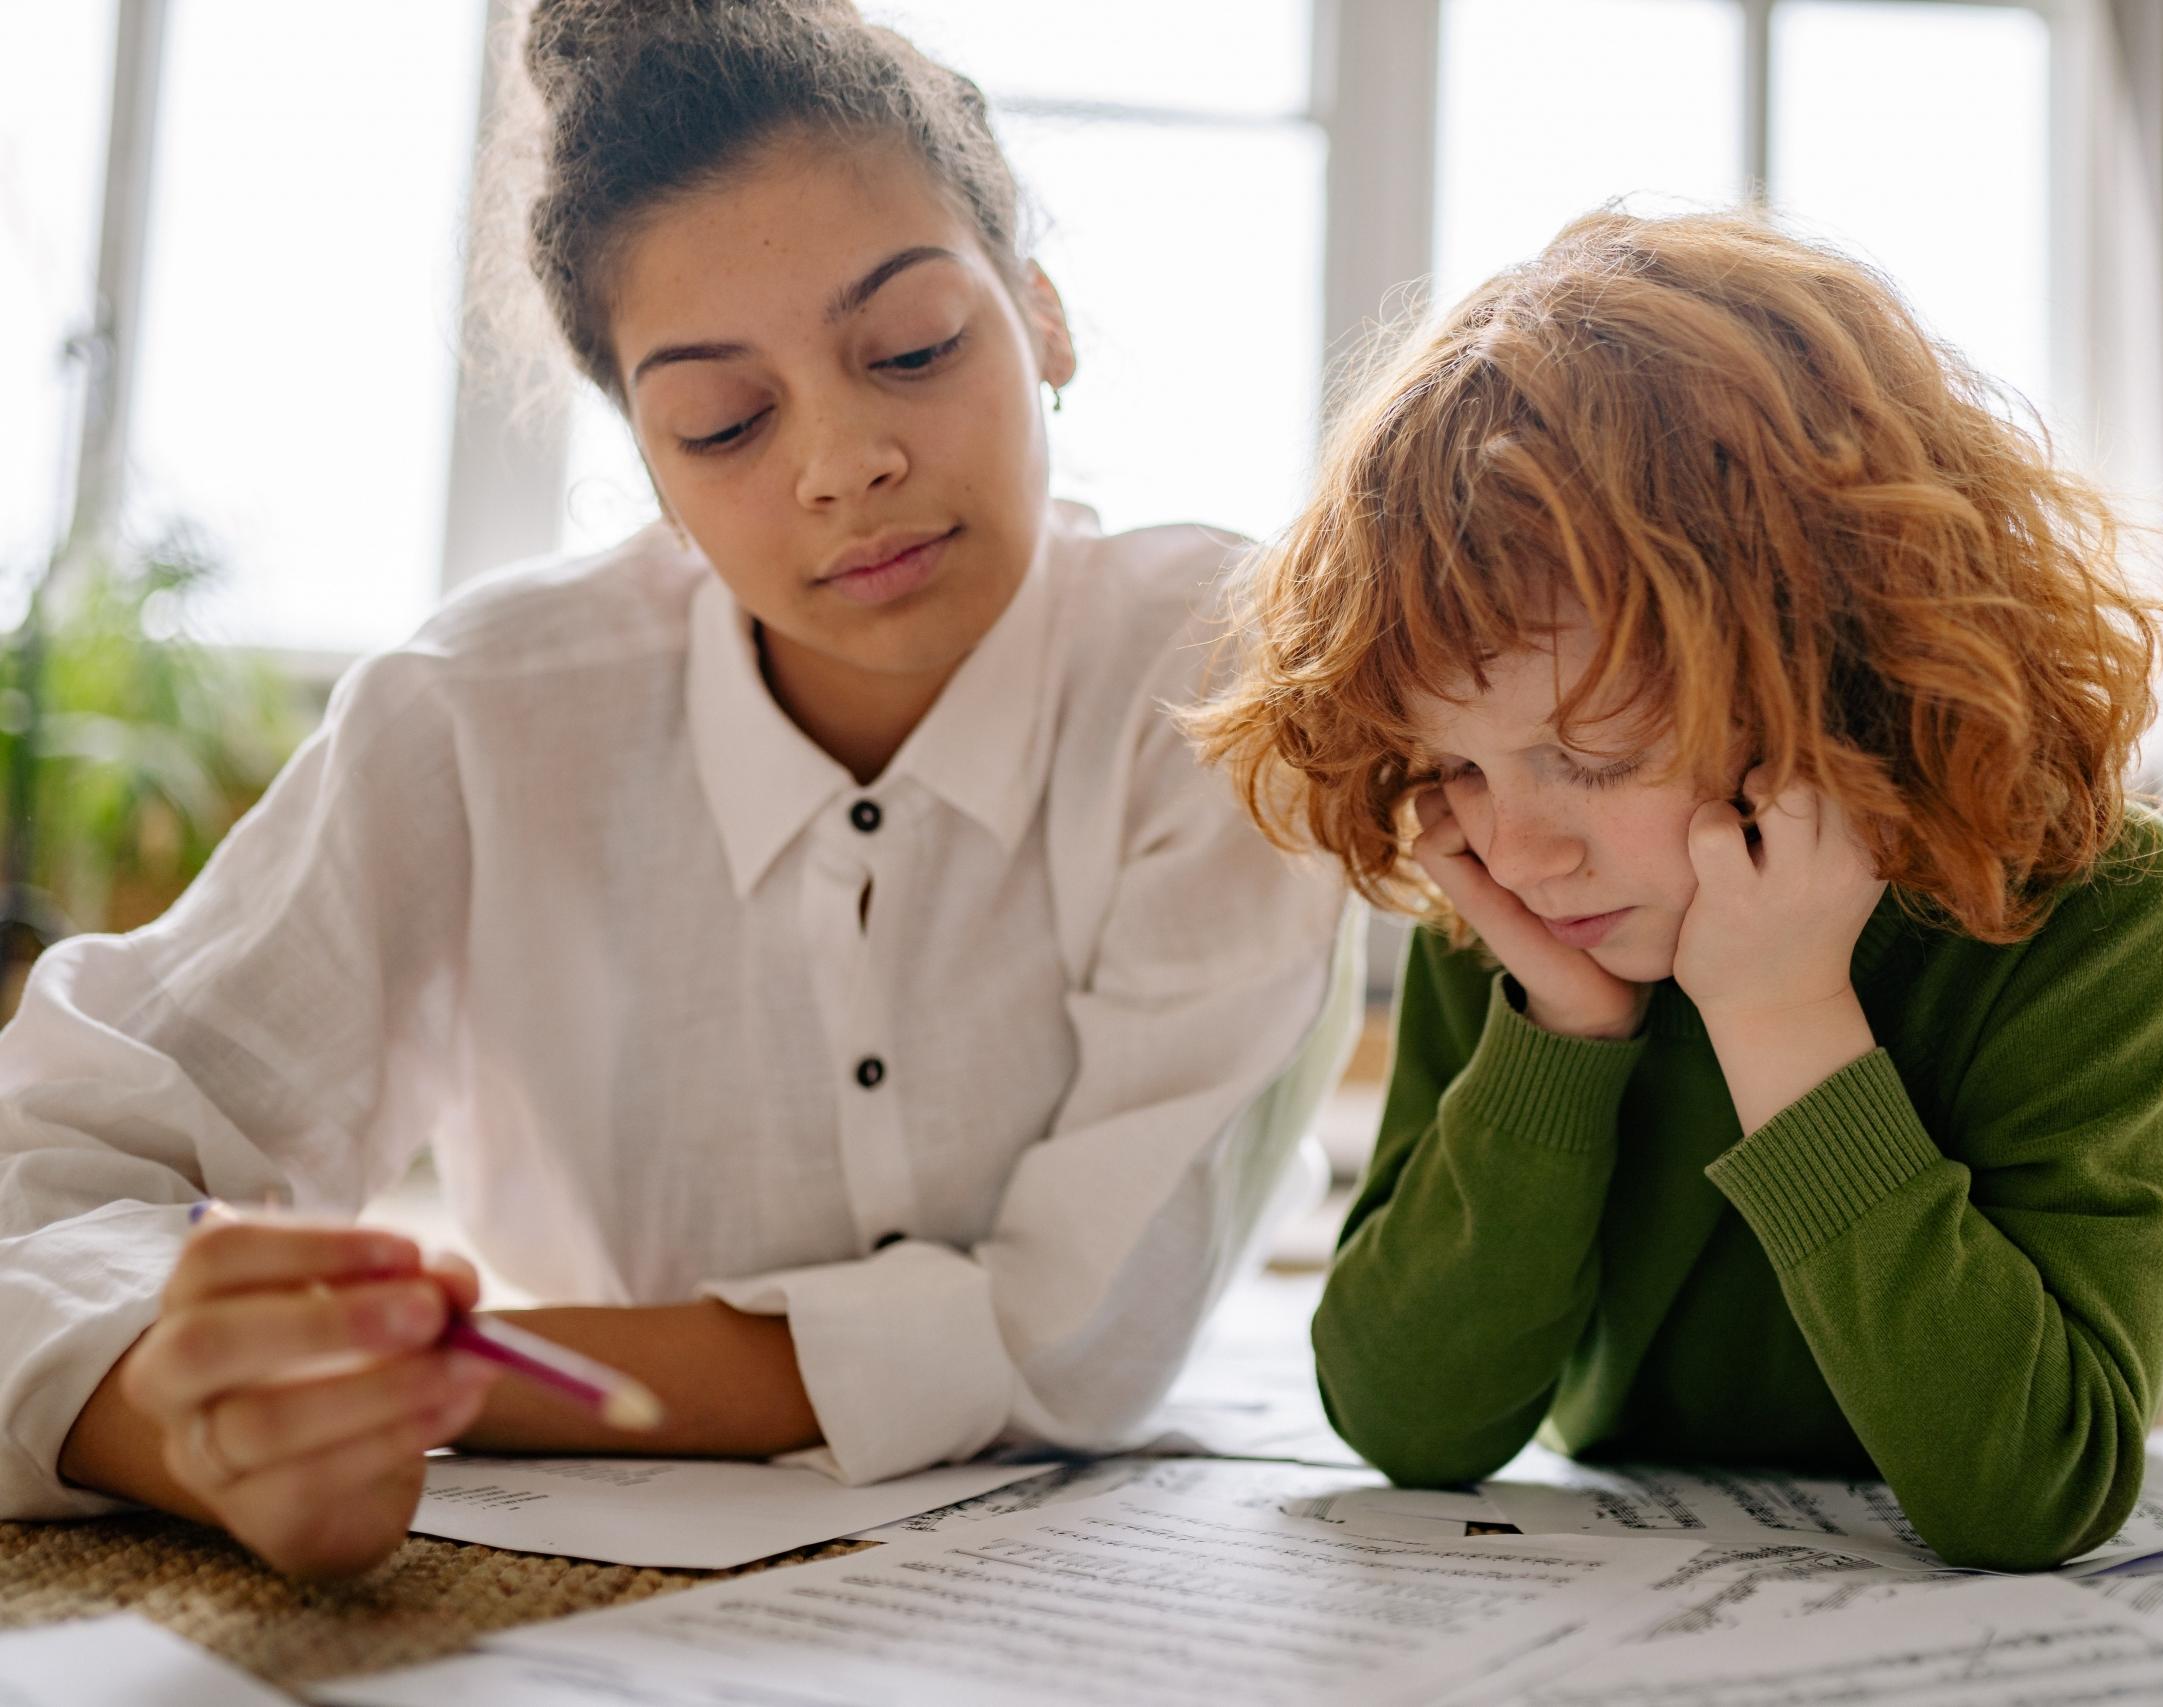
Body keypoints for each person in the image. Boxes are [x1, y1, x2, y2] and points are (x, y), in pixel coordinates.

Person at [0, 0, 1346, 1578]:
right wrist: (183, 1410)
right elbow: (48, 1170)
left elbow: (1068, 1338)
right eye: (722, 421)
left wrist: (455, 1379)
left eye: (913, 349)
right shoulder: (478, 715)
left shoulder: (1221, 678)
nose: (841, 463)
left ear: (1043, 316)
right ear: (644, 462)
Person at [1195, 210, 2163, 1572]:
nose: (1523, 848)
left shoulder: (2104, 915)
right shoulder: (1512, 920)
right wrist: (1561, 1039)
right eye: (1461, 766)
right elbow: (1410, 1424)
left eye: (1594, 754)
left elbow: (2034, 1490)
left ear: (1843, 655)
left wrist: (1784, 1011)